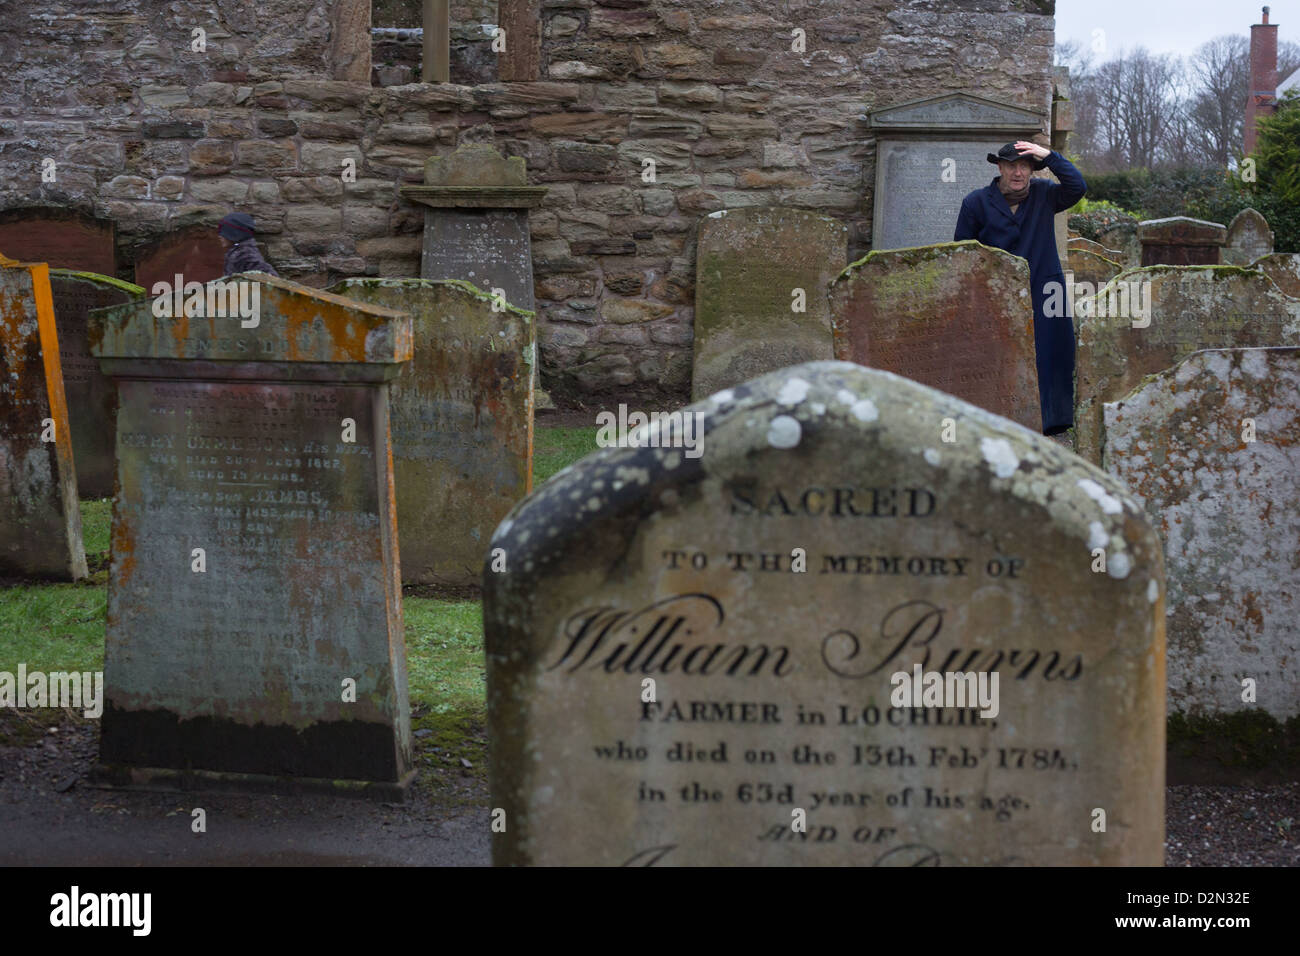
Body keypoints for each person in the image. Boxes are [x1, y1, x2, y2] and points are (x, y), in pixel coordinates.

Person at [954, 140, 1086, 437]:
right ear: (999, 167)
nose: (1018, 172)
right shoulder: (975, 202)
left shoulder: (1045, 195)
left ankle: (1051, 419)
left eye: (1025, 166)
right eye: (1011, 165)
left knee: (1051, 354)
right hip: (996, 295)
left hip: (1045, 290)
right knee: (1000, 356)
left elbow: (1077, 186)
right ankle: (1000, 416)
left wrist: (1049, 157)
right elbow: (962, 254)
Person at [217, 212, 279, 277]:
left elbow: (272, 279)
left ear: (235, 233)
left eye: (224, 232)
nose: (219, 236)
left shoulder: (246, 254)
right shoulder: (238, 251)